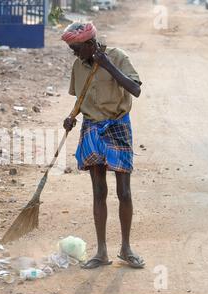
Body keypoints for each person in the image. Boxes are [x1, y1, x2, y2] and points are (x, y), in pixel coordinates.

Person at [62, 22, 145, 269]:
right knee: (99, 192)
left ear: (90, 44)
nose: (74, 54)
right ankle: (101, 252)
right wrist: (71, 116)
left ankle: (126, 248)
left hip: (118, 125)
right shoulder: (78, 66)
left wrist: (107, 65)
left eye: (76, 48)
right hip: (91, 127)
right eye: (71, 49)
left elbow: (135, 89)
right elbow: (81, 98)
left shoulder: (118, 57)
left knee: (124, 193)